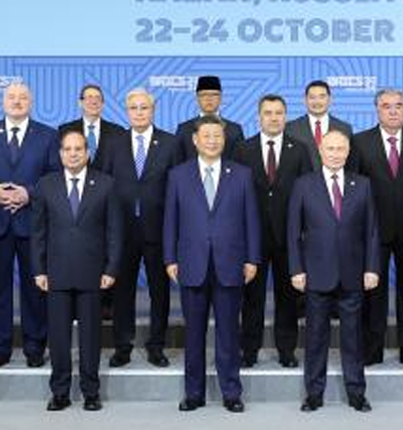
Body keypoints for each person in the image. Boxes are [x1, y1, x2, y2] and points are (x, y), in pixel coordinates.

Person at [164, 116, 262, 412]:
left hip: (230, 263)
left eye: (217, 136)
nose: (212, 141)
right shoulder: (178, 175)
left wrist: (252, 258)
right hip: (191, 263)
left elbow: (251, 220)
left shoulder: (242, 174)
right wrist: (170, 257)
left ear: (224, 139)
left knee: (228, 333)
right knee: (193, 334)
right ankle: (193, 393)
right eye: (206, 136)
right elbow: (171, 219)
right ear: (195, 140)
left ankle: (231, 392)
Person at [0, 82, 60, 367]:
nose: (16, 102)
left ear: (31, 102)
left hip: (33, 225)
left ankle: (34, 347)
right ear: (3, 102)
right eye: (11, 97)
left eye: (22, 97)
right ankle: (0, 347)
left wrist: (28, 192)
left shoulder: (48, 135)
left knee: (35, 290)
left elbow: (55, 175)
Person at [287, 129, 379, 412]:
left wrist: (372, 268)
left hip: (353, 273)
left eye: (341, 149)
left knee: (353, 337)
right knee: (315, 338)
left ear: (348, 152)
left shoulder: (362, 184)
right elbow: (292, 231)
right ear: (321, 151)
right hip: (316, 274)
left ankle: (356, 393)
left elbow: (372, 230)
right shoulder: (304, 185)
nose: (336, 154)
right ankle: (314, 394)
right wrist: (296, 269)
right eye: (331, 149)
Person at [31, 130, 122, 411]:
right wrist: (39, 269)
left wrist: (111, 268)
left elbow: (115, 232)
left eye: (78, 149)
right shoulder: (46, 185)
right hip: (55, 273)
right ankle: (59, 392)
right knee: (58, 337)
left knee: (91, 337)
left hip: (93, 273)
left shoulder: (106, 184)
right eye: (68, 149)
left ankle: (90, 392)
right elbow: (38, 233)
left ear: (87, 153)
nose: (73, 154)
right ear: (60, 154)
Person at [351, 88, 403, 366]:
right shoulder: (360, 142)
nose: (394, 111)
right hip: (372, 233)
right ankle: (371, 352)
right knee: (373, 295)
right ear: (377, 110)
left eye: (398, 106)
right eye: (387, 106)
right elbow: (354, 191)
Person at [231, 94, 310, 367]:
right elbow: (235, 196)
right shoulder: (243, 149)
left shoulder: (299, 150)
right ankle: (248, 351)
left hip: (290, 237)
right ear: (259, 117)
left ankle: (286, 351)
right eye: (268, 113)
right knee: (251, 298)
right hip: (252, 238)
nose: (274, 118)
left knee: (288, 298)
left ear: (285, 116)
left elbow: (308, 194)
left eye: (278, 113)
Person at [109, 88, 178, 368]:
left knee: (159, 292)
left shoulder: (171, 143)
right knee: (122, 291)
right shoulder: (114, 143)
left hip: (159, 230)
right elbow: (102, 183)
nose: (139, 112)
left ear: (153, 110)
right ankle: (122, 346)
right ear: (127, 112)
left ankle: (156, 345)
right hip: (121, 230)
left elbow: (178, 188)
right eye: (134, 108)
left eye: (144, 108)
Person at [58, 83, 127, 175]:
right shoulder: (65, 131)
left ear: (102, 104)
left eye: (98, 98)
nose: (94, 102)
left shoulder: (118, 132)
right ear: (80, 103)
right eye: (89, 97)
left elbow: (121, 166)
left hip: (109, 187)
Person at [173, 75, 245, 162]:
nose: (209, 99)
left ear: (221, 98)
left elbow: (240, 163)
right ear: (197, 98)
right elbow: (177, 163)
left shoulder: (235, 130)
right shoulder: (184, 129)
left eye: (214, 95)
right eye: (204, 95)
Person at [285, 79, 352, 168]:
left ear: (330, 99)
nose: (317, 102)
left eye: (322, 97)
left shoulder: (344, 128)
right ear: (305, 100)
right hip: (300, 180)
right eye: (312, 97)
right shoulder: (290, 128)